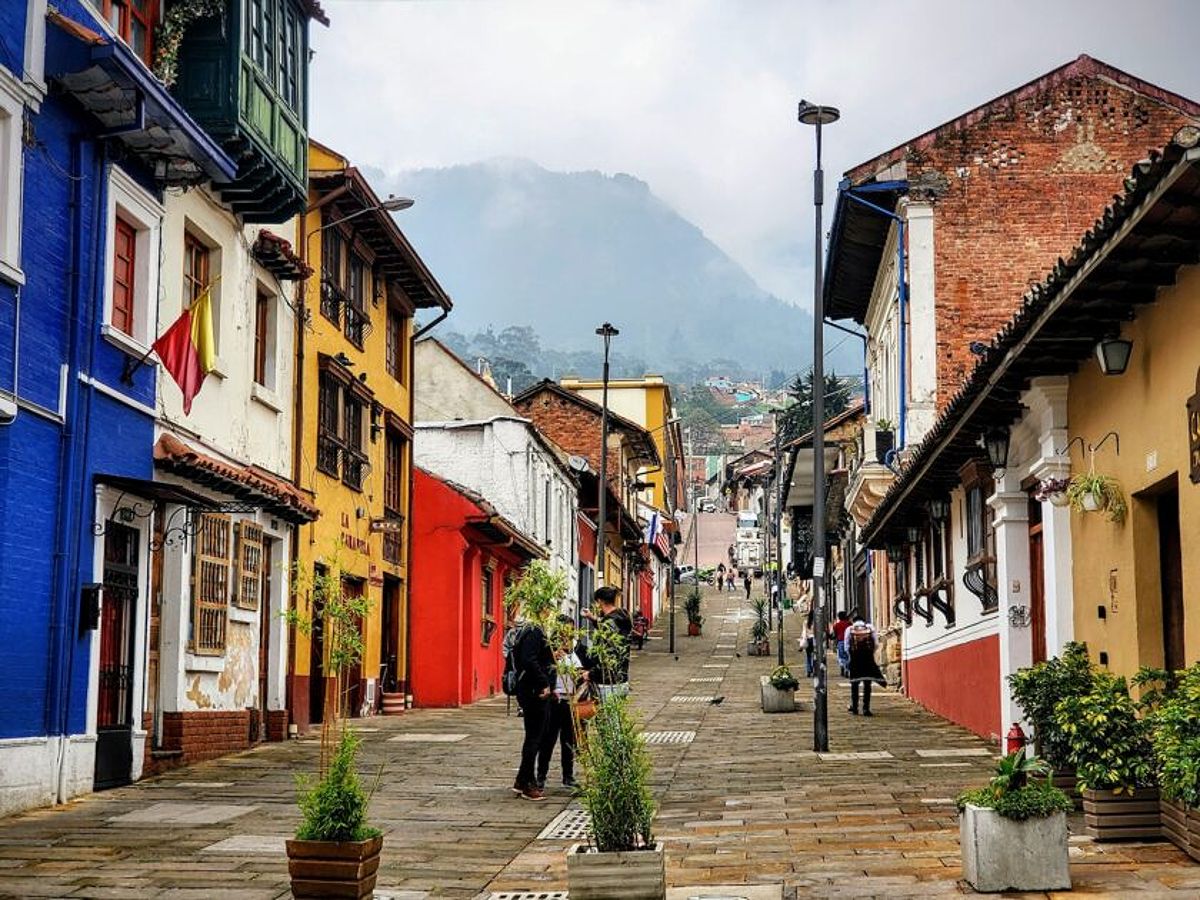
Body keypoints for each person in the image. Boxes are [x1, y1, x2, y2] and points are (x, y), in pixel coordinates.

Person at [510, 614, 556, 800]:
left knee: (536, 735)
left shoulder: (532, 630)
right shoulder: (535, 631)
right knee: (535, 738)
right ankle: (528, 783)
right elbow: (529, 660)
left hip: (531, 690)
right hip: (534, 691)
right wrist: (544, 682)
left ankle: (522, 779)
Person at [537, 616, 585, 790]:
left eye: (571, 630)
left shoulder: (573, 653)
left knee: (569, 741)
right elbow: (541, 669)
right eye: (566, 630)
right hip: (553, 700)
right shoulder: (548, 651)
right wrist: (553, 658)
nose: (569, 635)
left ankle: (568, 776)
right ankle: (541, 775)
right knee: (547, 740)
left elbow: (579, 674)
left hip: (569, 701)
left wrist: (580, 675)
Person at [582, 586, 632, 700]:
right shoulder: (623, 618)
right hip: (621, 679)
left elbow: (606, 655)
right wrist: (593, 619)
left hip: (608, 682)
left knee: (607, 717)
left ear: (600, 601)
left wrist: (591, 674)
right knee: (616, 717)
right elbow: (611, 629)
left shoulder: (608, 623)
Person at [844, 610, 886, 716]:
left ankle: (855, 708)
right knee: (867, 684)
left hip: (855, 658)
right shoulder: (870, 628)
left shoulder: (849, 629)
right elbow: (876, 643)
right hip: (867, 658)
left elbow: (846, 646)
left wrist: (850, 656)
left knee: (854, 684)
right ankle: (866, 708)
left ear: (854, 622)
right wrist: (870, 653)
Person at [832, 610, 852, 677]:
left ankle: (843, 667)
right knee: (849, 656)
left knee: (841, 656)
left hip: (840, 642)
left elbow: (834, 635)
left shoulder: (836, 625)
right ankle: (847, 668)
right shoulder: (849, 624)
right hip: (849, 642)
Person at [802, 611, 815, 678]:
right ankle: (813, 668)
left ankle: (809, 670)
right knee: (815, 655)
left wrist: (804, 640)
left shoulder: (806, 622)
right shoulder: (817, 622)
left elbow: (804, 632)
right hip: (815, 640)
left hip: (808, 640)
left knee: (808, 656)